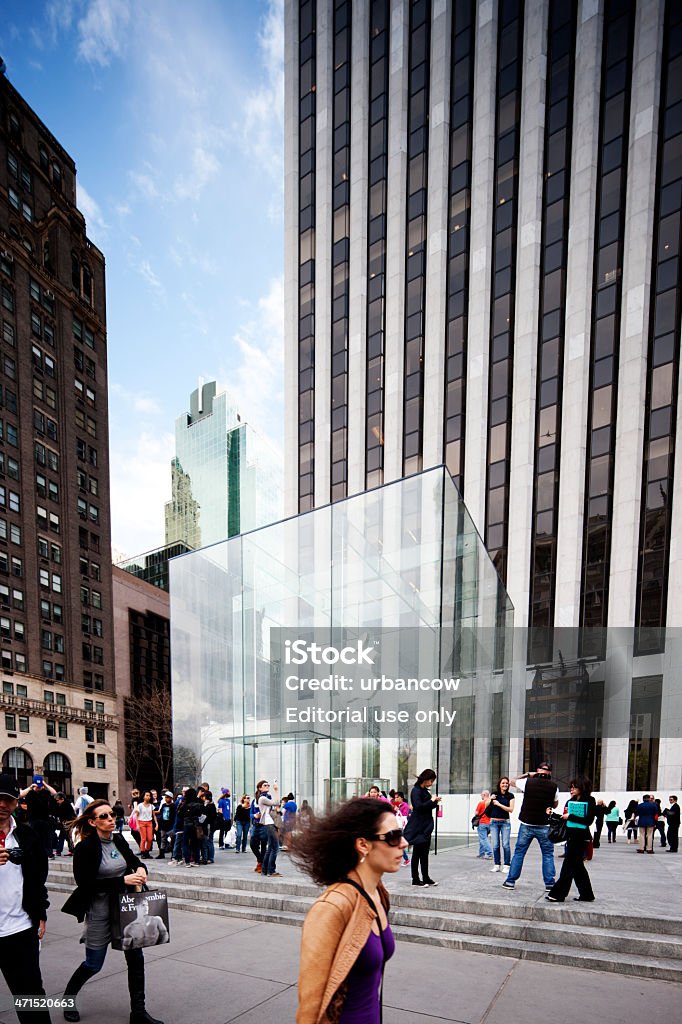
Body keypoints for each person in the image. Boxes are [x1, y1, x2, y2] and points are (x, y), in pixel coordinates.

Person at [291, 797, 405, 1023]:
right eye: (392, 837)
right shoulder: (332, 906)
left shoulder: (378, 894)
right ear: (363, 844)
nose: (404, 843)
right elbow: (311, 1001)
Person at [61, 798, 163, 1024]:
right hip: (100, 912)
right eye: (104, 817)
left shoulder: (118, 839)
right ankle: (68, 998)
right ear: (92, 822)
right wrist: (121, 880)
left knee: (136, 959)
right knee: (93, 964)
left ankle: (138, 1012)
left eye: (112, 815)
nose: (110, 819)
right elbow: (85, 884)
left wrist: (141, 869)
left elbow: (135, 861)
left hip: (127, 909)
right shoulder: (85, 848)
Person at [0, 774, 52, 1024]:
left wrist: (40, 912)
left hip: (19, 929)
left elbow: (37, 879)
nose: (1, 804)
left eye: (7, 799)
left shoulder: (27, 835)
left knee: (31, 998)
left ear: (16, 802)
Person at [503, 761, 558, 892]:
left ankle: (510, 881)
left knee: (519, 853)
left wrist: (528, 774)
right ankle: (549, 884)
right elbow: (555, 804)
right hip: (545, 825)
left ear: (538, 771)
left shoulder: (527, 782)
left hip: (527, 824)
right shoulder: (554, 786)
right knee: (548, 854)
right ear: (550, 773)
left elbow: (511, 781)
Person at [545, 776, 596, 903]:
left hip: (582, 837)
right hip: (571, 837)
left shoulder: (590, 801)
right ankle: (587, 894)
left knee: (568, 866)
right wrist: (552, 814)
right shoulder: (570, 802)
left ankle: (558, 894)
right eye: (571, 787)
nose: (571, 790)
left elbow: (588, 820)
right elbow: (564, 818)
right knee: (578, 867)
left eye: (574, 787)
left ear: (582, 787)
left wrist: (571, 816)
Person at [402, 768, 441, 887]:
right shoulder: (416, 791)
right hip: (419, 826)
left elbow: (427, 806)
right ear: (426, 779)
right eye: (431, 780)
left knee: (424, 854)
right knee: (417, 854)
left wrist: (435, 802)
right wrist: (432, 801)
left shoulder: (424, 791)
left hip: (426, 826)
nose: (432, 783)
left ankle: (426, 877)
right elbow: (418, 807)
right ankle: (415, 878)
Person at [19, 775, 57, 859]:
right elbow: (20, 795)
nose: (39, 788)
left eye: (40, 786)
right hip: (33, 819)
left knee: (47, 837)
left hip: (45, 818)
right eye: (37, 786)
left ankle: (49, 853)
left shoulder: (45, 792)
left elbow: (55, 793)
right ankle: (35, 852)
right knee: (35, 836)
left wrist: (45, 784)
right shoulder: (30, 793)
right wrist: (30, 787)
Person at [487, 777, 514, 873]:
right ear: (499, 784)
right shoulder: (494, 794)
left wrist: (499, 804)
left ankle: (507, 865)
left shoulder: (510, 796)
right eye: (503, 783)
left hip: (505, 823)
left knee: (506, 844)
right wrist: (490, 799)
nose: (505, 785)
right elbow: (486, 805)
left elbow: (511, 809)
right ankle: (497, 865)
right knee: (495, 845)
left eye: (506, 783)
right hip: (493, 822)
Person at [257, 779, 281, 877]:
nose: (267, 786)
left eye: (268, 785)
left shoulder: (266, 797)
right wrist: (276, 790)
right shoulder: (262, 798)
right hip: (270, 824)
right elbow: (277, 802)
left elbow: (275, 806)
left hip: (270, 823)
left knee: (270, 847)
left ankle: (264, 870)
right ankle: (271, 871)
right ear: (260, 788)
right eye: (265, 785)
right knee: (275, 848)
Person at [153, 792, 176, 859]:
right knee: (163, 839)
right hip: (163, 825)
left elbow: (174, 815)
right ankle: (161, 853)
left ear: (171, 798)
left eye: (168, 797)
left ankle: (173, 854)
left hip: (170, 825)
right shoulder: (163, 805)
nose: (166, 798)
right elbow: (160, 813)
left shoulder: (173, 806)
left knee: (172, 840)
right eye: (165, 797)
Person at [391, 791, 410, 865]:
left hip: (401, 827)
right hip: (396, 826)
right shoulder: (396, 805)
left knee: (398, 842)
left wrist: (398, 810)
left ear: (401, 797)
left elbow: (404, 817)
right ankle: (405, 859)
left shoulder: (405, 805)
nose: (395, 799)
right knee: (396, 842)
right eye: (395, 797)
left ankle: (406, 859)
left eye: (397, 797)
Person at [54, 792, 76, 856]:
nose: (57, 802)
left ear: (62, 799)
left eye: (58, 800)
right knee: (64, 836)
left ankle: (70, 850)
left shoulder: (65, 805)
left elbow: (60, 813)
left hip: (67, 823)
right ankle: (60, 851)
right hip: (67, 822)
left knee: (67, 837)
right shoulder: (67, 803)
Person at [135, 792, 155, 859]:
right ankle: (143, 852)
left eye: (149, 795)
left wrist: (156, 824)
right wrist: (137, 825)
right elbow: (136, 816)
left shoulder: (151, 806)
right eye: (146, 795)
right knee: (143, 839)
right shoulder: (140, 805)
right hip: (142, 822)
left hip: (149, 822)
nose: (148, 797)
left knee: (150, 839)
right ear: (143, 797)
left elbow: (154, 815)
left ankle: (147, 851)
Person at [474, 790, 493, 859]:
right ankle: (481, 853)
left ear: (484, 795)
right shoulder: (491, 803)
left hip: (482, 823)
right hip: (490, 823)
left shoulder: (481, 803)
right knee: (483, 838)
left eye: (481, 795)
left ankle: (489, 853)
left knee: (484, 839)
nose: (481, 796)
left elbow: (476, 813)